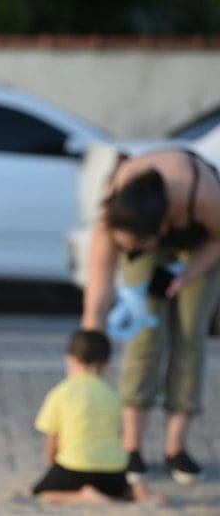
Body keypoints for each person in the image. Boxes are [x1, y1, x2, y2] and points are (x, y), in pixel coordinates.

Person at [81, 148, 220, 484]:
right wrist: (89, 352)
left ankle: (176, 448)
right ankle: (132, 447)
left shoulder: (200, 193)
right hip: (144, 227)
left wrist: (187, 275)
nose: (129, 253)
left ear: (162, 227)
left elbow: (219, 237)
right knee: (144, 337)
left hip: (204, 242)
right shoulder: (114, 210)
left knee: (189, 335)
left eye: (135, 247)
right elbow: (97, 294)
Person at [32, 330, 164, 505]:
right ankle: (133, 490)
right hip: (113, 471)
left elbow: (52, 446)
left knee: (40, 493)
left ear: (70, 359)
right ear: (107, 365)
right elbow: (119, 436)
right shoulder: (112, 395)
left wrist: (54, 470)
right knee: (118, 487)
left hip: (74, 468)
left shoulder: (60, 393)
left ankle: (83, 495)